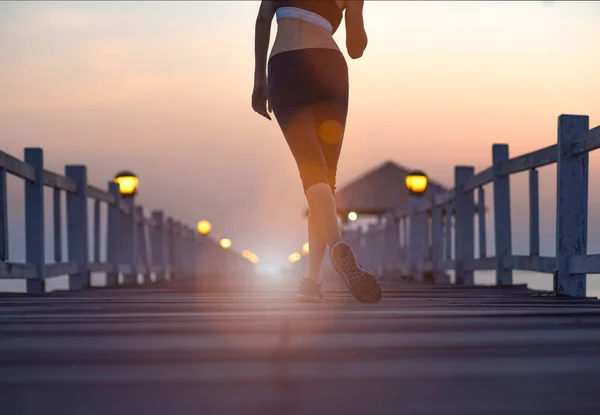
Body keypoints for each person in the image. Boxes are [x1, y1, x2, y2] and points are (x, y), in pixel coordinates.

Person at [252, 0, 382, 304]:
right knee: (325, 177)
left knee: (312, 172)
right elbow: (356, 48)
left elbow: (262, 22)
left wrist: (260, 80)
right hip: (330, 69)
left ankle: (335, 248)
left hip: (286, 66)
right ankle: (312, 279)